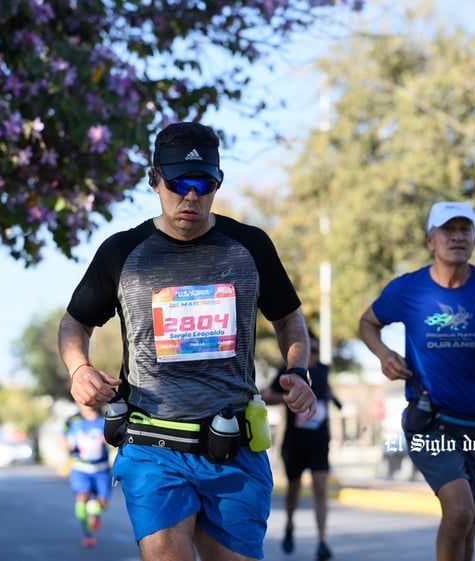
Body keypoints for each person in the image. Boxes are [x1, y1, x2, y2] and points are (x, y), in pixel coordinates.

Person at [57, 121, 316, 561]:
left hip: (232, 443)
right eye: (179, 182)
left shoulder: (249, 246)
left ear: (217, 183)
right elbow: (74, 323)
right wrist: (78, 369)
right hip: (151, 445)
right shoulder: (123, 252)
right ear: (154, 179)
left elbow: (289, 319)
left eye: (203, 183)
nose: (191, 196)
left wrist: (297, 371)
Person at [358, 201, 475, 561]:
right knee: (458, 511)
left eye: (465, 229)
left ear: (474, 238)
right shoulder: (407, 289)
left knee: (469, 525)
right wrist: (384, 355)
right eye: (448, 230)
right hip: (431, 422)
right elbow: (368, 323)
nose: (457, 236)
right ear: (431, 240)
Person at [262, 329, 340, 561]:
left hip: (319, 441)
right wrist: (285, 398)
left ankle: (322, 541)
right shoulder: (290, 372)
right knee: (294, 489)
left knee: (319, 488)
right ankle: (289, 524)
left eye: (315, 350)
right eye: (309, 350)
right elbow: (266, 395)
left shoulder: (324, 370)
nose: (312, 355)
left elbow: (326, 395)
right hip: (295, 442)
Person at [63, 402, 112, 548]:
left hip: (101, 469)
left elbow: (115, 437)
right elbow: (62, 434)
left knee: (101, 503)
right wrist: (66, 445)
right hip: (81, 468)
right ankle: (88, 534)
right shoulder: (73, 420)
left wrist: (107, 439)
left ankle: (95, 513)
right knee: (82, 498)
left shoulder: (105, 419)